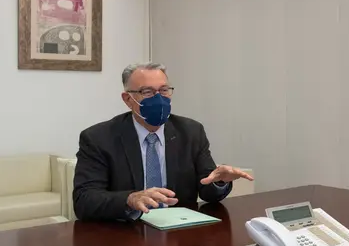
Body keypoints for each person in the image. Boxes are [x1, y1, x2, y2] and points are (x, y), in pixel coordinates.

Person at [73, 62, 253, 221]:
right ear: (128, 99)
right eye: (147, 92)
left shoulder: (190, 131)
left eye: (164, 90)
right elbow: (84, 200)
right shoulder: (98, 138)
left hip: (180, 231)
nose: (158, 98)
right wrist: (130, 199)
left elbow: (207, 190)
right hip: (126, 231)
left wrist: (220, 181)